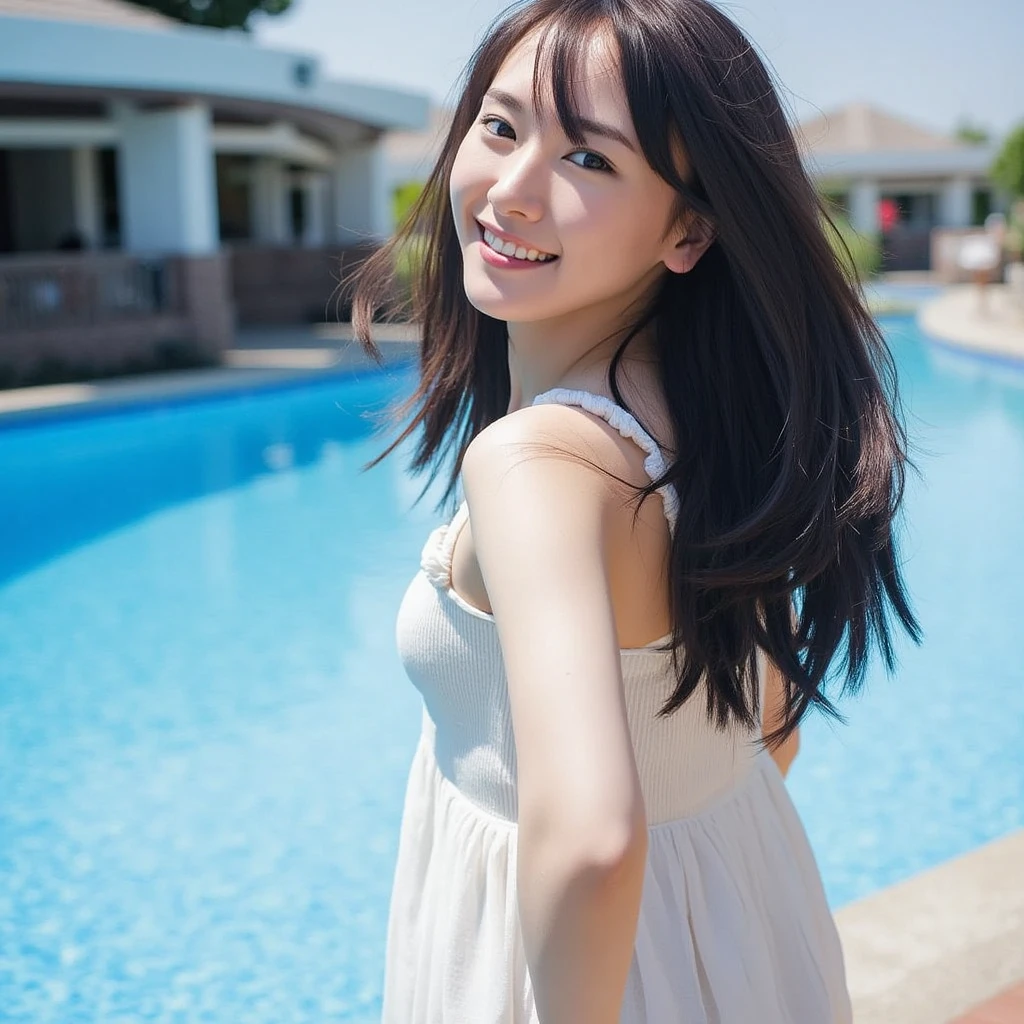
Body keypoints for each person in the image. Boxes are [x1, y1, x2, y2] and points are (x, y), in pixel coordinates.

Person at [347, 1, 920, 1020]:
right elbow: (770, 725)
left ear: (689, 227)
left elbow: (595, 839)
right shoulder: (714, 425)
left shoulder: (538, 466)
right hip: (741, 932)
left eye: (589, 162)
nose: (512, 192)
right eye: (502, 126)